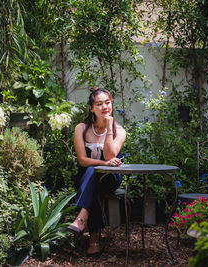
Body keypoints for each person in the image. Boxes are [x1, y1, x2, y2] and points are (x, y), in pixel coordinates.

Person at [68, 86, 126, 259]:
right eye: (99, 104)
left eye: (107, 103)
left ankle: (82, 217)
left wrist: (109, 128)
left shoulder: (120, 131)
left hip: (110, 178)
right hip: (87, 177)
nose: (104, 107)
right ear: (91, 108)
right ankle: (93, 240)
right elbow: (82, 161)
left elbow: (110, 155)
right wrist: (103, 163)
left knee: (94, 179)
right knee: (92, 175)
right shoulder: (81, 128)